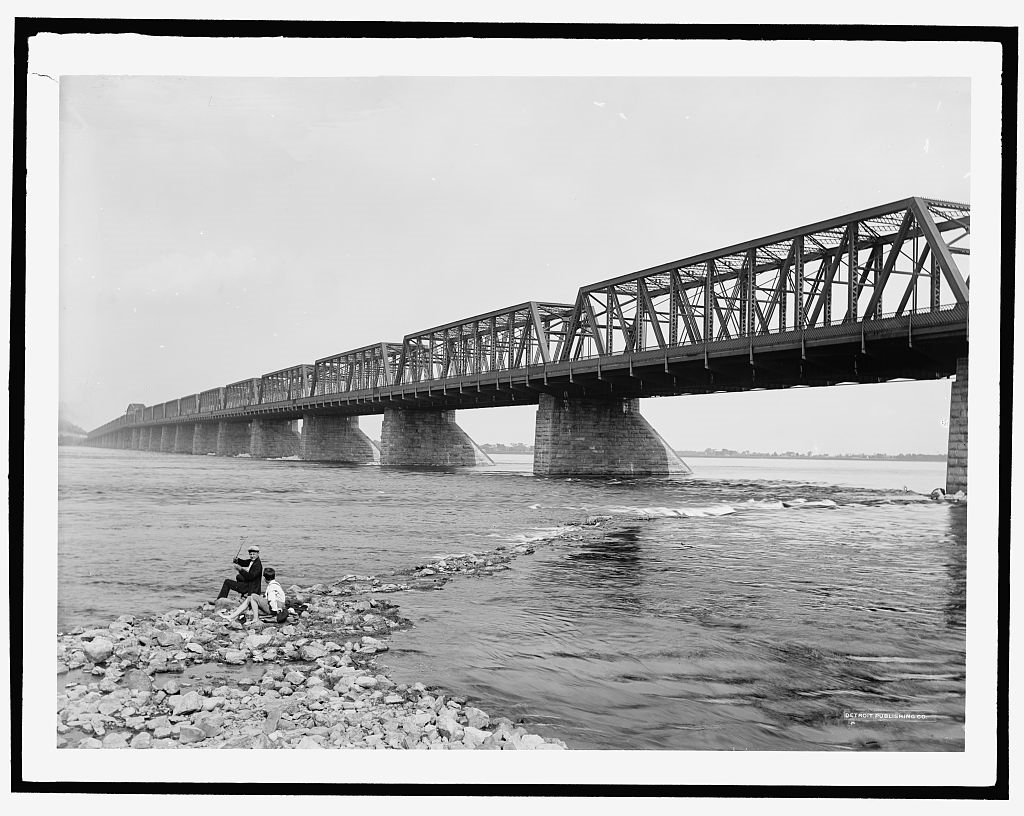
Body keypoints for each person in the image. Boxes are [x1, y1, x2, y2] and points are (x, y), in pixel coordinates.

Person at [220, 567, 288, 625]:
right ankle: (232, 616)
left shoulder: (272, 586)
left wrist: (275, 611)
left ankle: (255, 618)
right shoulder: (276, 584)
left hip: (275, 608)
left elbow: (272, 599)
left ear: (265, 578)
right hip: (278, 605)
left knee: (253, 596)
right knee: (250, 598)